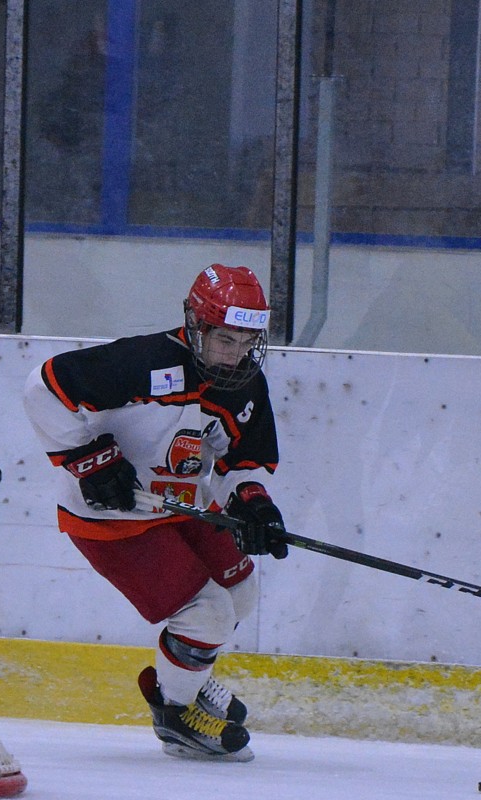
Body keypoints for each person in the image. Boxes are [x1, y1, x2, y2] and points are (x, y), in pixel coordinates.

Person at [22, 264, 288, 762]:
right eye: (225, 340)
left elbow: (245, 457)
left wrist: (253, 502)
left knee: (240, 592)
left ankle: (186, 679)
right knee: (207, 615)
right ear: (195, 324)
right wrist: (90, 460)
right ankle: (176, 713)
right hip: (111, 520)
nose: (235, 356)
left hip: (181, 507)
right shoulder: (140, 362)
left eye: (246, 342)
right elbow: (44, 390)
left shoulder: (243, 383)